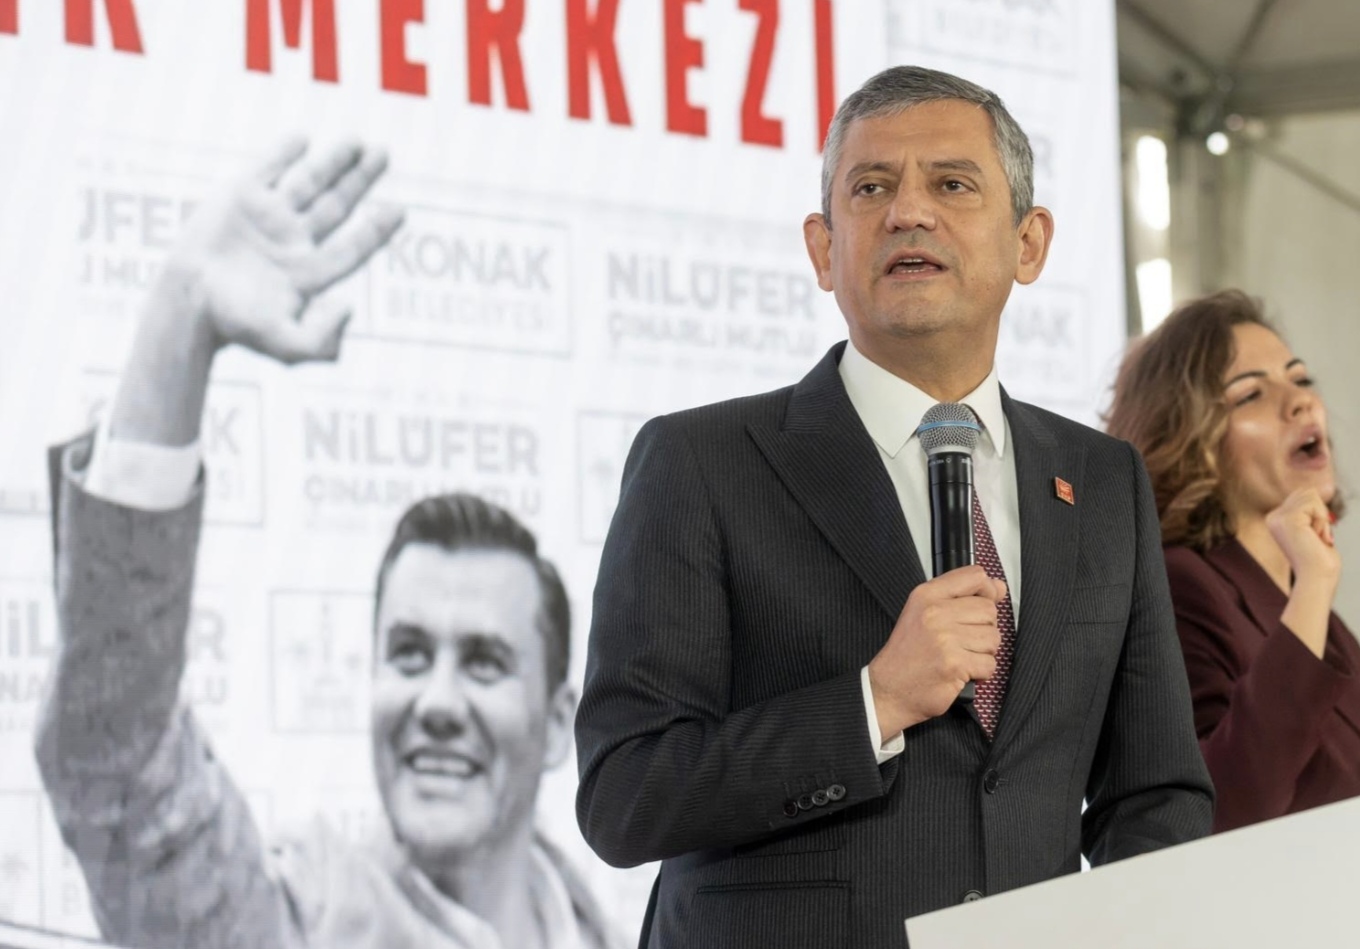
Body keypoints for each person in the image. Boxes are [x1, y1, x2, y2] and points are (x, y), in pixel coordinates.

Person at [574, 65, 1213, 949]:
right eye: (871, 188)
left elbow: (1155, 793)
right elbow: (626, 791)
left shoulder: (1101, 480)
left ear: (1028, 243)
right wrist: (872, 702)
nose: (909, 211)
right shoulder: (701, 463)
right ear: (822, 249)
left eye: (951, 184)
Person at [35, 139, 619, 949]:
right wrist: (181, 317)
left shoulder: (613, 925)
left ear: (557, 723)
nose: (436, 702)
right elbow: (117, 769)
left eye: (484, 662)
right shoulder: (303, 921)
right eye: (408, 654)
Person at [1106, 289, 1360, 833]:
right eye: (1251, 394)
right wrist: (1314, 585)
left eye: (1301, 379)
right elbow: (1222, 808)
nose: (1301, 402)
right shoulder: (1182, 583)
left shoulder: (1319, 617)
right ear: (1190, 436)